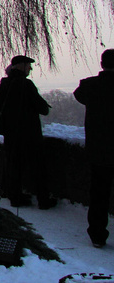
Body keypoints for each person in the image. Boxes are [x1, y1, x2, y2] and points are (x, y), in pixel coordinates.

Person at [0, 55, 55, 209]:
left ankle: (15, 198)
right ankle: (44, 200)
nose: (30, 68)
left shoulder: (4, 85)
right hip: (29, 134)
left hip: (11, 134)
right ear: (21, 66)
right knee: (38, 167)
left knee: (14, 166)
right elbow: (42, 109)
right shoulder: (25, 85)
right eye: (28, 65)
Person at [73, 49, 114, 248]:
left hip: (98, 149)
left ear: (101, 63)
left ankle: (97, 235)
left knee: (99, 194)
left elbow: (79, 95)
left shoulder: (90, 86)